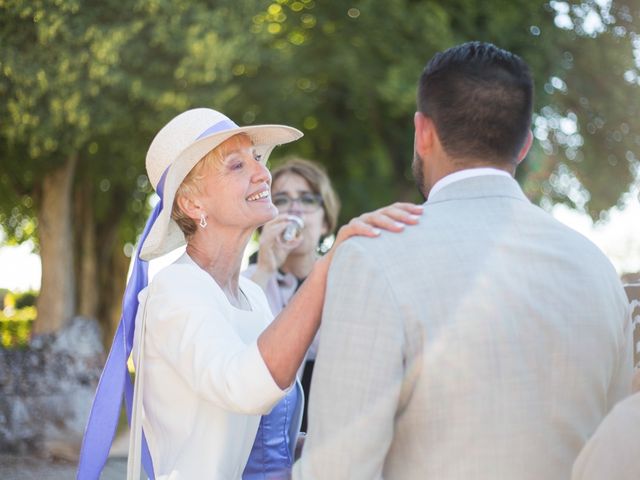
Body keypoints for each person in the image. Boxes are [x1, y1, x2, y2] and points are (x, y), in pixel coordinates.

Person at [293, 42, 633, 480]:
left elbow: (336, 471)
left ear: (423, 132)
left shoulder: (373, 256)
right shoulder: (597, 268)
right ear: (525, 144)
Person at [76, 108, 422, 480]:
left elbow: (261, 434)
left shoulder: (252, 296)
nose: (263, 173)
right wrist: (328, 265)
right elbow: (245, 388)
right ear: (193, 204)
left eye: (256, 158)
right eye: (236, 166)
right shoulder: (174, 292)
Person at [243, 157, 340, 432]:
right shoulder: (249, 281)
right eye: (282, 200)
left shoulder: (344, 278)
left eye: (307, 199)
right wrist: (264, 269)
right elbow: (235, 342)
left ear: (325, 222)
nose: (295, 208)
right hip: (268, 434)